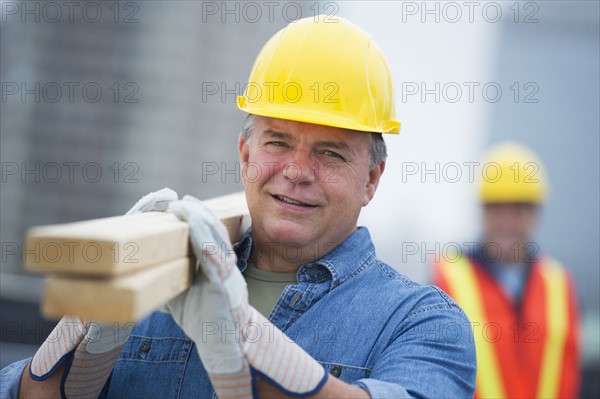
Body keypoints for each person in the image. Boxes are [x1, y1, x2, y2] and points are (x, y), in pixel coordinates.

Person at [1, 16, 476, 398]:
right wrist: (79, 336)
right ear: (246, 154)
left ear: (371, 178)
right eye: (278, 142)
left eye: (330, 152)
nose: (297, 170)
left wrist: (240, 334)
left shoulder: (422, 323)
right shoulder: (160, 278)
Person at [432, 142, 581, 398]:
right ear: (482, 212)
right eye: (496, 209)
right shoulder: (449, 278)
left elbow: (569, 370)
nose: (506, 222)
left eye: (517, 210)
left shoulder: (559, 283)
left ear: (535, 214)